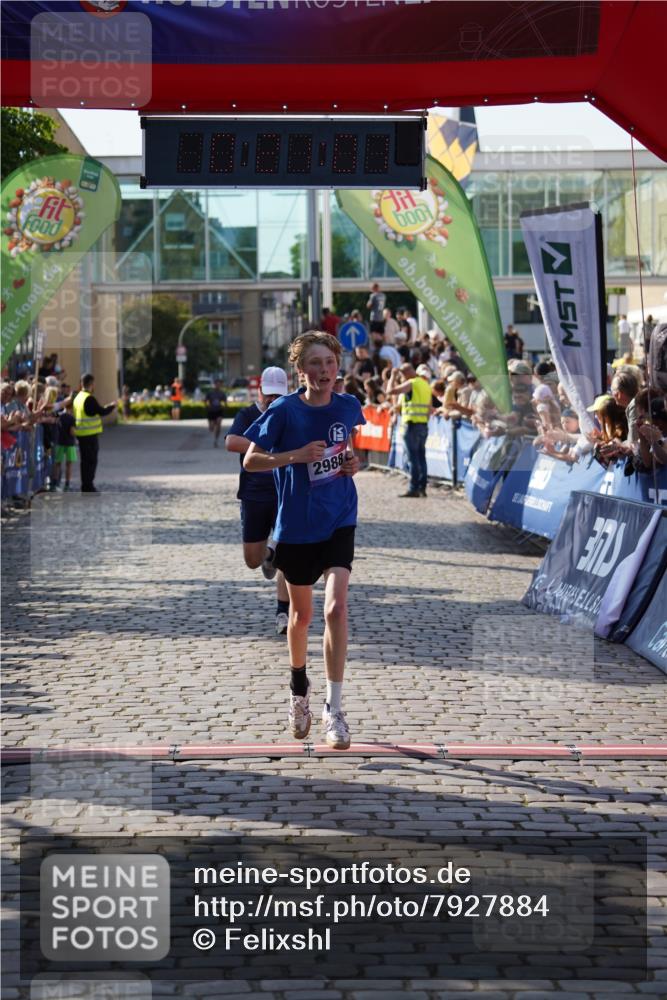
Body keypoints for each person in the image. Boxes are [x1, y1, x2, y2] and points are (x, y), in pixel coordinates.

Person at [243, 331, 364, 750]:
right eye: (315, 363)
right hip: (295, 525)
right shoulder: (284, 411)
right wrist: (294, 456)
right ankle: (299, 692)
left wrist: (351, 463)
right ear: (300, 370)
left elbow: (350, 452)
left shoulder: (349, 406)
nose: (324, 371)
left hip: (339, 519)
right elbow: (251, 459)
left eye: (330, 363)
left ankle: (335, 709)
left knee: (336, 608)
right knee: (301, 618)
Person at [225, 367, 292, 635]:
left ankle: (283, 613)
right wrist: (266, 446)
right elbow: (231, 442)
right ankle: (266, 556)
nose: (273, 400)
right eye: (270, 395)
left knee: (287, 554)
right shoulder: (248, 414)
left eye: (279, 395)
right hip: (254, 493)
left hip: (285, 491)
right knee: (253, 560)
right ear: (260, 391)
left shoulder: (290, 412)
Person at [386, 362, 433, 497]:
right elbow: (429, 408)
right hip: (423, 425)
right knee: (421, 458)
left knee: (413, 459)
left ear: (404, 373)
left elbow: (390, 391)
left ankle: (413, 489)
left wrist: (393, 376)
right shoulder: (426, 384)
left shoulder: (412, 383)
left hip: (411, 425)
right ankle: (422, 488)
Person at [72, 373, 117, 493]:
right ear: (91, 384)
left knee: (84, 462)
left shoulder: (78, 397)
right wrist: (111, 407)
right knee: (91, 461)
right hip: (89, 435)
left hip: (81, 434)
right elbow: (100, 411)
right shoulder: (89, 398)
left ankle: (85, 485)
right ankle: (88, 486)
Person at [52, 398, 77, 492]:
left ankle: (54, 483)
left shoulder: (59, 416)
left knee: (57, 463)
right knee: (69, 465)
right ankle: (67, 484)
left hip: (59, 442)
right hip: (70, 443)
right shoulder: (72, 418)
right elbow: (72, 432)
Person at [205, 378, 227, 447]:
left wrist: (225, 406)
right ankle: (211, 426)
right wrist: (207, 406)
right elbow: (205, 400)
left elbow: (225, 401)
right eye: (216, 384)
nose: (217, 386)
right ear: (214, 385)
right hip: (211, 411)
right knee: (211, 428)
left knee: (218, 424)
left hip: (219, 411)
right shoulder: (210, 393)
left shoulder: (221, 393)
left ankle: (216, 439)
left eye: (219, 384)